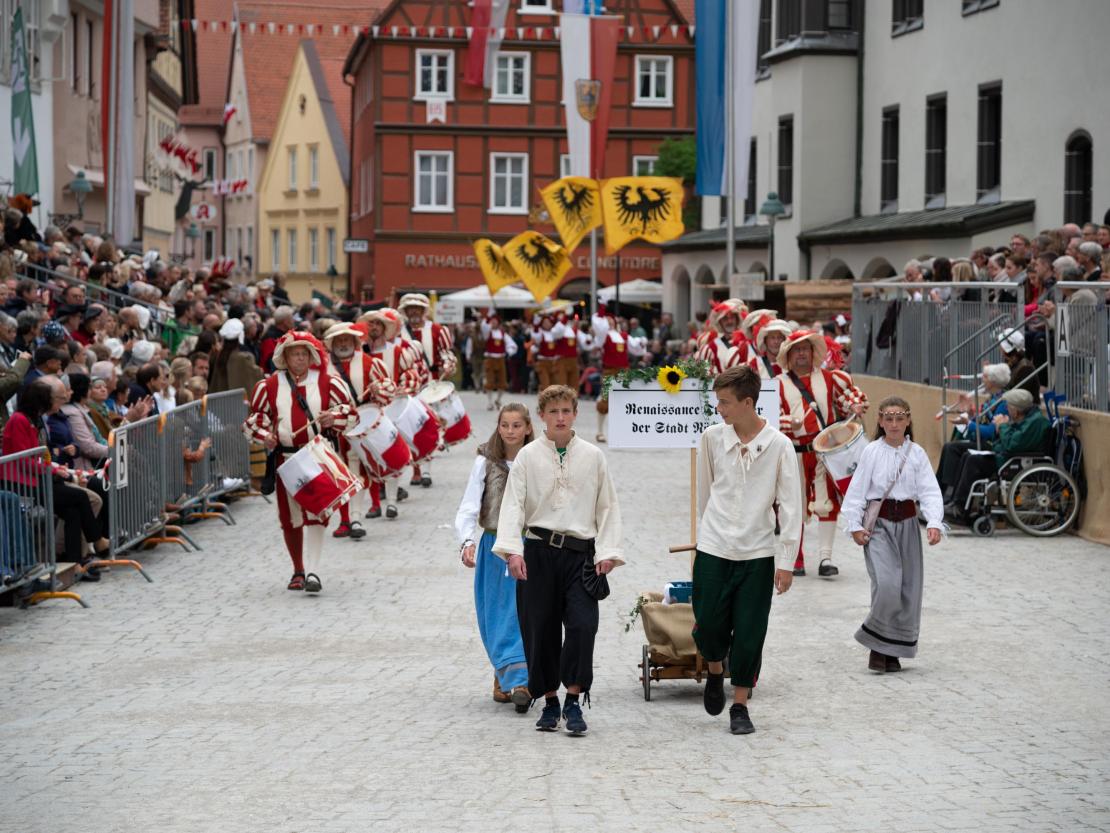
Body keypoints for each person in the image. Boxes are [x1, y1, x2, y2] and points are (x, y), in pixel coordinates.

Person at [493, 385, 623, 736]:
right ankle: (550, 700)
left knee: (583, 625)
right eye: (554, 412)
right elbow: (513, 504)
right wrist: (512, 551)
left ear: (575, 413)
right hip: (538, 550)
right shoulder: (528, 456)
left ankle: (574, 699)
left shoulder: (593, 456)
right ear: (543, 416)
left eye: (566, 410)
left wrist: (607, 552)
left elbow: (607, 505)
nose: (561, 417)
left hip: (581, 553)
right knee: (541, 628)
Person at [693, 365, 802, 735]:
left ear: (748, 402)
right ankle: (714, 668)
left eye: (724, 402)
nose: (719, 409)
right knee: (707, 624)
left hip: (757, 552)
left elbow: (790, 506)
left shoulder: (780, 446)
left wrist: (785, 562)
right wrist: (707, 534)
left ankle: (740, 704)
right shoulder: (711, 438)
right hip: (714, 545)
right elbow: (705, 491)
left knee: (751, 630)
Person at [243, 332, 355, 593]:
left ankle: (313, 571)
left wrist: (332, 419)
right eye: (295, 354)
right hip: (285, 459)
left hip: (316, 456)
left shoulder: (329, 382)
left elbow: (350, 414)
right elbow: (253, 421)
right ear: (285, 357)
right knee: (290, 518)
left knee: (318, 512)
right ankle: (298, 569)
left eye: (305, 353)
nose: (301, 358)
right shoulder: (269, 386)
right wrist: (266, 437)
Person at [841, 397, 944, 673]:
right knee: (887, 585)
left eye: (900, 418)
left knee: (908, 590)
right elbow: (857, 490)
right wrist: (855, 525)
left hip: (908, 524)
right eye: (889, 418)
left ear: (908, 420)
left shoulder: (918, 454)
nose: (894, 424)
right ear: (880, 421)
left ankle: (892, 652)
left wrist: (934, 521)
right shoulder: (871, 452)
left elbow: (929, 490)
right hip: (880, 527)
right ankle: (876, 645)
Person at [455, 403, 534, 713]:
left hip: (532, 544)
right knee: (499, 611)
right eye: (505, 425)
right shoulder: (485, 462)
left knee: (526, 610)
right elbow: (469, 504)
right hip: (495, 544)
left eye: (517, 425)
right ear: (499, 427)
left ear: (528, 427)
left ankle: (521, 678)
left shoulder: (540, 459)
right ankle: (508, 674)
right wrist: (466, 541)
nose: (511, 431)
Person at [777, 330, 868, 578]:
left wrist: (855, 405)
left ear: (813, 352)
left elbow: (850, 397)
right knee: (793, 505)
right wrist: (789, 423)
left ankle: (826, 558)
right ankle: (795, 559)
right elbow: (770, 420)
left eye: (805, 349)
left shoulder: (830, 378)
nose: (802, 354)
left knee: (827, 504)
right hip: (793, 452)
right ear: (788, 355)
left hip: (824, 453)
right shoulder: (777, 385)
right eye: (796, 350)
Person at [1, 378, 110, 580]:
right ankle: (98, 540)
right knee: (79, 498)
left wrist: (54, 467)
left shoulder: (34, 419)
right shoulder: (19, 420)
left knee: (72, 512)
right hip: (22, 482)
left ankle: (74, 561)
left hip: (35, 478)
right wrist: (53, 470)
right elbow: (25, 461)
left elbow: (40, 456)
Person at [324, 321, 395, 536]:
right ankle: (345, 520)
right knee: (339, 477)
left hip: (361, 428)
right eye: (339, 340)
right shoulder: (323, 367)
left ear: (355, 341)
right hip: (334, 431)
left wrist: (377, 390)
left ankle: (355, 519)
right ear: (332, 343)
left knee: (358, 472)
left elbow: (388, 391)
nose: (343, 343)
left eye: (347, 339)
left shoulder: (369, 363)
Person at [361, 308, 428, 516]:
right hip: (368, 412)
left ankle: (391, 502)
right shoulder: (361, 353)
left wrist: (402, 390)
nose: (373, 328)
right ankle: (374, 503)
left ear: (384, 328)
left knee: (391, 454)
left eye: (377, 324)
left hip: (391, 410)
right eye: (370, 324)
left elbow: (411, 376)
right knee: (370, 457)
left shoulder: (397, 352)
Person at [947, 388, 1049, 521]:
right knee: (968, 456)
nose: (1007, 408)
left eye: (1009, 406)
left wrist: (1002, 426)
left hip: (1015, 463)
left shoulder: (1035, 422)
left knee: (973, 461)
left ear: (1017, 410)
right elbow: (1010, 441)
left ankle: (960, 508)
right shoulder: (1025, 418)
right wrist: (1003, 427)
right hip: (1008, 457)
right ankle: (956, 503)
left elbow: (1012, 445)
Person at [398, 293, 454, 488]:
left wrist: (447, 365)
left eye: (418, 308)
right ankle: (415, 469)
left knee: (429, 428)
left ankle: (426, 471)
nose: (414, 312)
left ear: (424, 311)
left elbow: (446, 354)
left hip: (431, 386)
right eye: (410, 308)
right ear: (405, 311)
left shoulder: (438, 330)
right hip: (407, 386)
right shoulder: (398, 332)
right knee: (410, 428)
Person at [590, 306, 629, 444]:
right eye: (606, 320)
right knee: (605, 400)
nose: (609, 321)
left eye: (611, 319)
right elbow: (599, 332)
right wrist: (601, 309)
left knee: (623, 401)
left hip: (624, 371)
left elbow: (636, 348)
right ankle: (600, 431)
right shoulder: (603, 336)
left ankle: (621, 432)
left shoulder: (623, 335)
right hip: (609, 370)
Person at [480, 311, 517, 411]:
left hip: (500, 359)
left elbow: (512, 345)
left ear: (498, 323)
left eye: (495, 321)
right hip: (490, 359)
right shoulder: (487, 333)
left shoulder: (503, 334)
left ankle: (498, 400)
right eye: (492, 321)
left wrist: (509, 352)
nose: (493, 323)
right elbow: (484, 326)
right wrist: (488, 315)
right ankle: (490, 402)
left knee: (502, 381)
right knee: (489, 381)